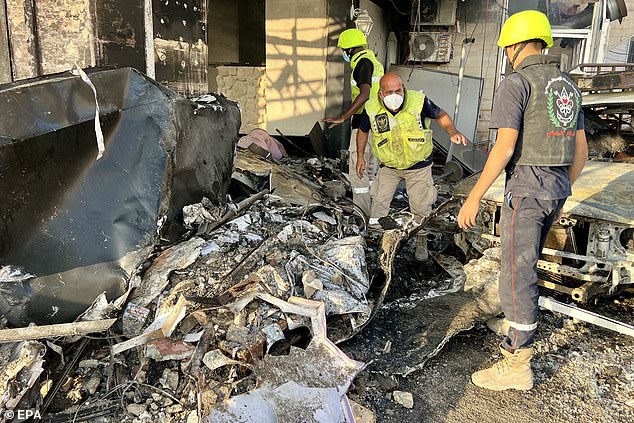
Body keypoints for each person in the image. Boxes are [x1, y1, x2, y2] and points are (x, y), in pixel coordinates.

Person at [457, 10, 588, 391]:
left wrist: (473, 198)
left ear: (514, 45)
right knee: (525, 269)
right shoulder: (568, 86)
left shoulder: (516, 83)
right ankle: (519, 325)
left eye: (507, 47)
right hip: (554, 188)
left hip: (527, 189)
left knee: (517, 275)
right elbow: (580, 149)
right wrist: (562, 189)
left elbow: (504, 148)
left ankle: (517, 363)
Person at [357, 72, 467, 260]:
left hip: (418, 166)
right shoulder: (372, 108)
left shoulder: (418, 101)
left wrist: (452, 131)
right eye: (389, 91)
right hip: (389, 166)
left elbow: (441, 115)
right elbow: (362, 130)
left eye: (398, 90)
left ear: (403, 88)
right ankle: (376, 239)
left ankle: (421, 241)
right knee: (379, 202)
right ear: (380, 94)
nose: (395, 95)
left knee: (421, 206)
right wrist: (360, 156)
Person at [323, 28, 384, 217]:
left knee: (358, 170)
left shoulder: (363, 63)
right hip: (377, 122)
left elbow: (365, 93)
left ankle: (361, 214)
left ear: (350, 49)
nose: (343, 53)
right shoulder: (372, 60)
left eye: (344, 49)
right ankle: (375, 213)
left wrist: (344, 116)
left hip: (364, 124)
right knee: (372, 171)